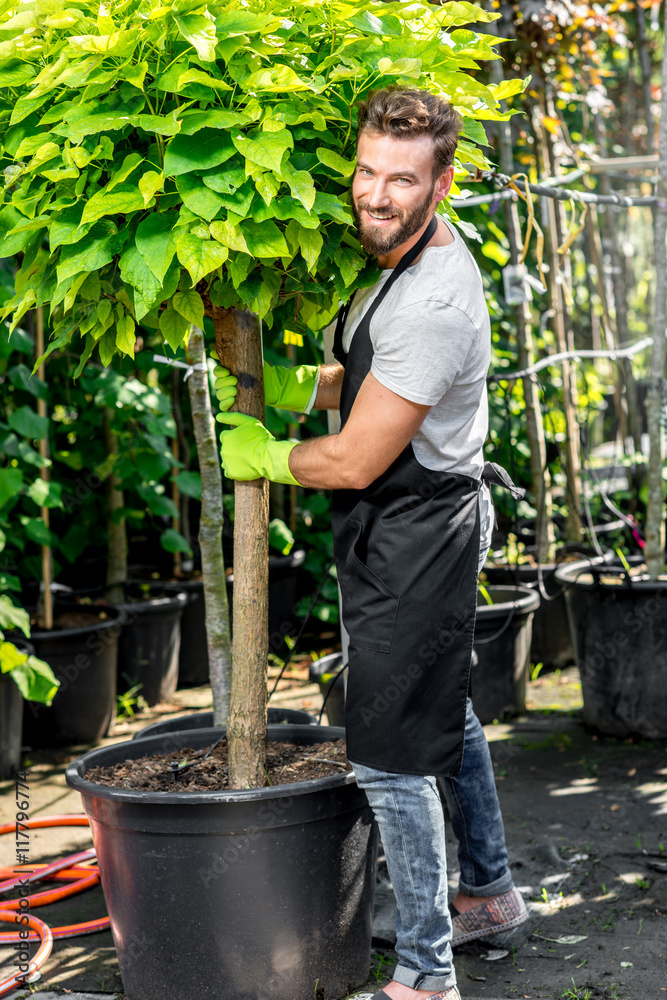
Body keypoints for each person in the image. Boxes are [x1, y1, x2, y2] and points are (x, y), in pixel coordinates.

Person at [214, 88, 528, 1000]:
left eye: (401, 178)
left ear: (443, 182)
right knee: (444, 708)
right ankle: (490, 894)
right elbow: (363, 381)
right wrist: (284, 385)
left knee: (387, 753)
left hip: (422, 531)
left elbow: (354, 458)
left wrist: (267, 457)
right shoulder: (396, 253)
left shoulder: (432, 301)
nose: (374, 193)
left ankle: (428, 975)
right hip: (407, 518)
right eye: (365, 171)